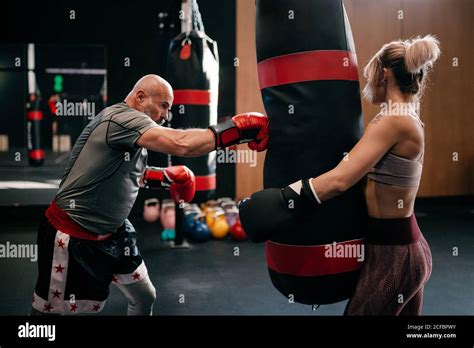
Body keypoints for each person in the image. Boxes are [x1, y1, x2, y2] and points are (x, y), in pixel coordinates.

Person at [31, 74, 269, 315]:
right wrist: (237, 131)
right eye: (163, 105)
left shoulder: (131, 130)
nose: (166, 115)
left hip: (115, 233)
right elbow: (182, 143)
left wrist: (167, 177)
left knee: (145, 296)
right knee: (49, 312)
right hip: (73, 233)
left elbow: (129, 173)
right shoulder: (122, 119)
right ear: (141, 97)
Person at [239, 35, 440, 315]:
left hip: (395, 255)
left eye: (371, 74)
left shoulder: (393, 121)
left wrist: (285, 199)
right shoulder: (406, 115)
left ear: (383, 73)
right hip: (403, 248)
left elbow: (340, 179)